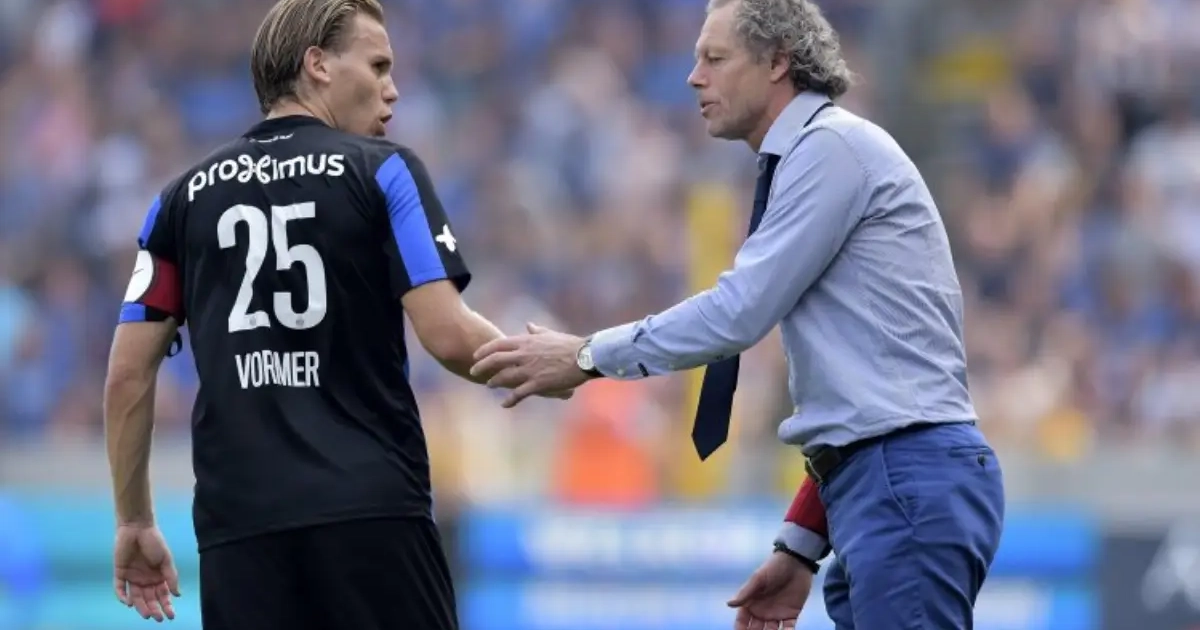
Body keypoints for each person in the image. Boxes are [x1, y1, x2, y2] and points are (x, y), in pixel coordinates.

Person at [469, 0, 1006, 628]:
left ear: (778, 61)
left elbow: (738, 313)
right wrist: (800, 545)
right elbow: (862, 402)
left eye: (714, 58)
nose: (693, 76)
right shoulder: (820, 153)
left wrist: (586, 356)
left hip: (904, 485)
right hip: (884, 487)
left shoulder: (829, 148)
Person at [102, 1, 565, 627]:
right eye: (378, 66)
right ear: (318, 64)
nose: (392, 89)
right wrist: (551, 361)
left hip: (240, 530)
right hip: (372, 515)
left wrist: (133, 520)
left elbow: (127, 376)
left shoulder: (180, 200)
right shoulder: (385, 171)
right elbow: (449, 336)